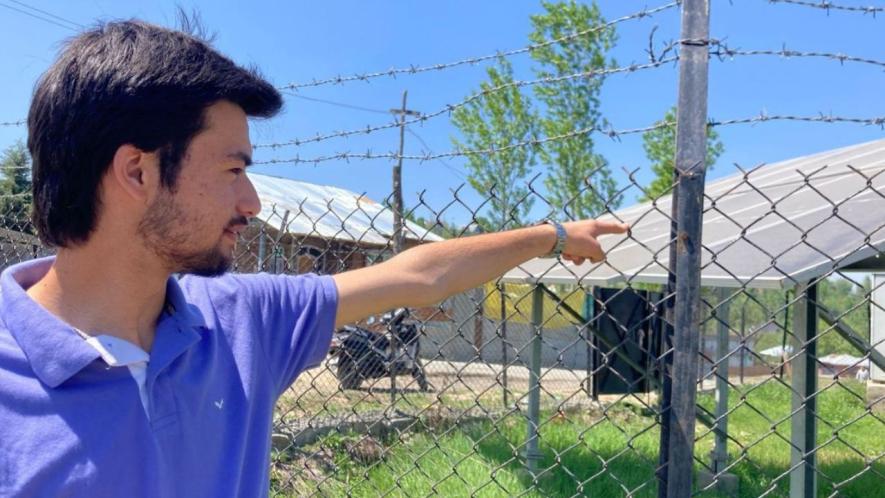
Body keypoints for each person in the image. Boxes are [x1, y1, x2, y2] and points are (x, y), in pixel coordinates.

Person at [0, 20, 628, 497]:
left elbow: (418, 272)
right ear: (138, 171)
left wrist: (550, 235)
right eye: (233, 169)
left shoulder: (243, 320)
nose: (250, 202)